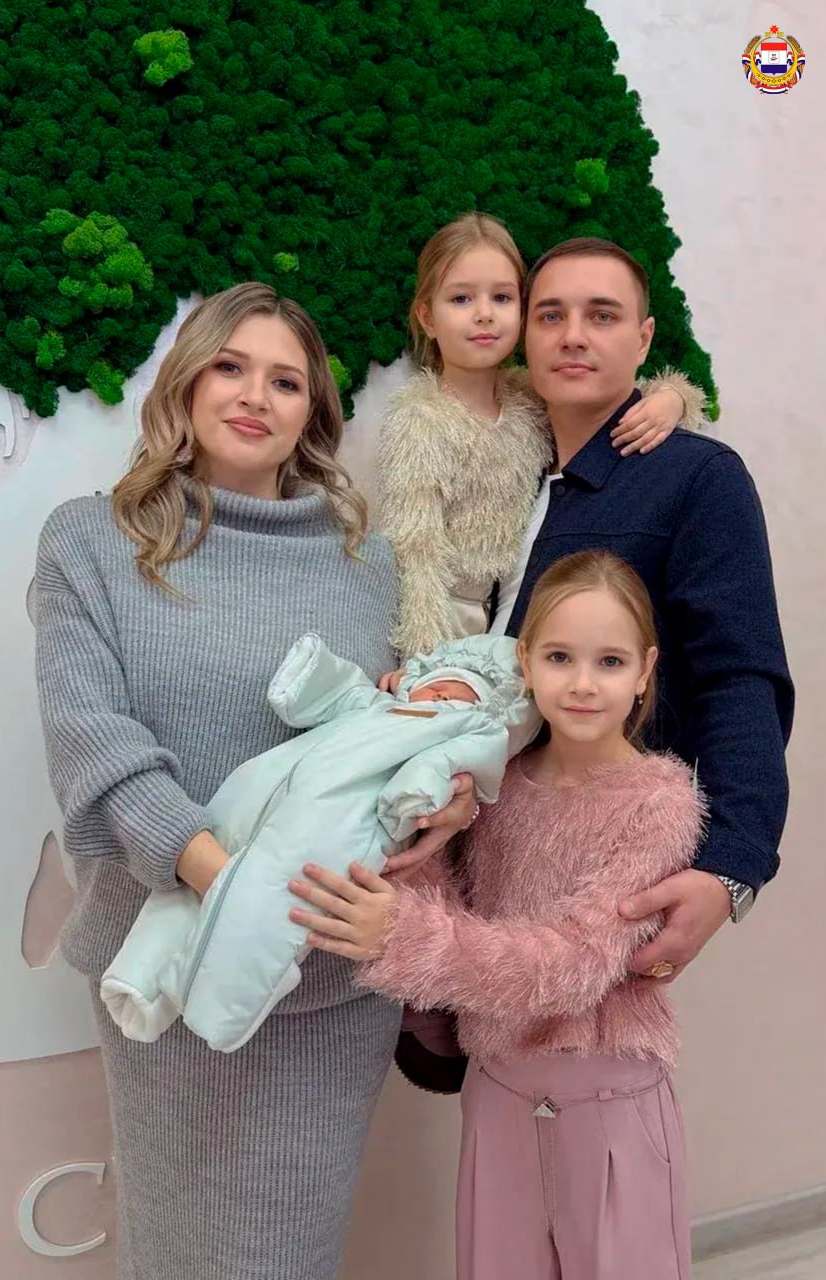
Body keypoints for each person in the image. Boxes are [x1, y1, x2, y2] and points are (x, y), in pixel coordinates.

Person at [34, 282, 475, 1280]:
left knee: (290, 1250)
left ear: (312, 411)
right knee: (179, 1249)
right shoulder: (91, 540)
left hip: (329, 972)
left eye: (284, 380)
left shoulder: (368, 563)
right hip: (166, 966)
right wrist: (225, 883)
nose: (253, 395)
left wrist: (446, 798)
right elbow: (90, 738)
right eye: (230, 366)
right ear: (186, 382)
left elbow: (399, 733)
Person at [290, 550, 706, 1279]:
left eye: (609, 662)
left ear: (644, 671)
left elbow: (573, 965)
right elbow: (444, 896)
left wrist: (401, 935)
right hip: (498, 1088)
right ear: (525, 662)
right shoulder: (493, 781)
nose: (582, 683)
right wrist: (414, 736)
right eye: (559, 657)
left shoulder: (658, 802)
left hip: (607, 1095)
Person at [494, 237, 793, 978]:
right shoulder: (502, 477)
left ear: (644, 338)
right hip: (487, 843)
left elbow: (739, 676)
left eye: (602, 315)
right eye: (550, 315)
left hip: (602, 876)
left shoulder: (697, 478)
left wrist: (730, 868)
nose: (572, 335)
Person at [99, 632, 539, 1051]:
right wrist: (309, 672)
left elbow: (449, 764)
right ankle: (137, 982)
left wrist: (419, 792)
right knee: (187, 893)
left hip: (335, 821)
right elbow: (337, 693)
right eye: (437, 684)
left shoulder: (462, 728)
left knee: (274, 911)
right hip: (251, 794)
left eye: (459, 692)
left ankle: (221, 1009)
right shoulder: (378, 704)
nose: (441, 696)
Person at [377, 212, 705, 659]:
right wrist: (422, 665)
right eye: (461, 299)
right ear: (427, 316)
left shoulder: (531, 399)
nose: (484, 315)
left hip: (521, 615)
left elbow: (617, 402)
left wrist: (672, 399)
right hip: (444, 625)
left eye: (502, 297)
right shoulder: (420, 420)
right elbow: (414, 553)